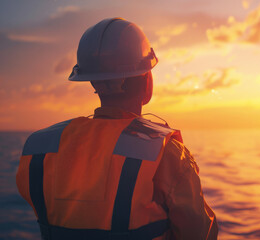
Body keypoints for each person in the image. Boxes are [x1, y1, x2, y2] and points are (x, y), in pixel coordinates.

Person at [16, 17, 218, 240]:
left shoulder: (39, 149)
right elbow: (200, 233)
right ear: (147, 80)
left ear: (93, 82)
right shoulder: (166, 154)